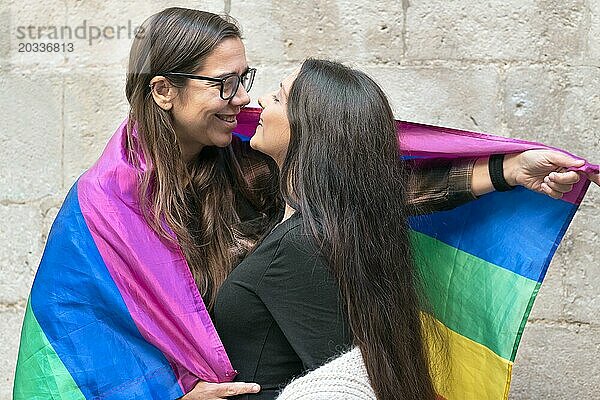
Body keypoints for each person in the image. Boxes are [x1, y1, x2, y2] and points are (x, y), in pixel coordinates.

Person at [15, 7, 597, 400]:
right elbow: (76, 350)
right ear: (164, 90)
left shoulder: (249, 157)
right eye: (223, 84)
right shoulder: (103, 207)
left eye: (246, 78)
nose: (241, 99)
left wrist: (501, 171)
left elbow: (363, 190)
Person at [212, 58, 600, 400]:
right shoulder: (340, 225)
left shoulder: (301, 245)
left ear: (310, 130)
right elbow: (383, 188)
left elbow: (348, 387)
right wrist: (507, 170)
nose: (260, 101)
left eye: (278, 97)